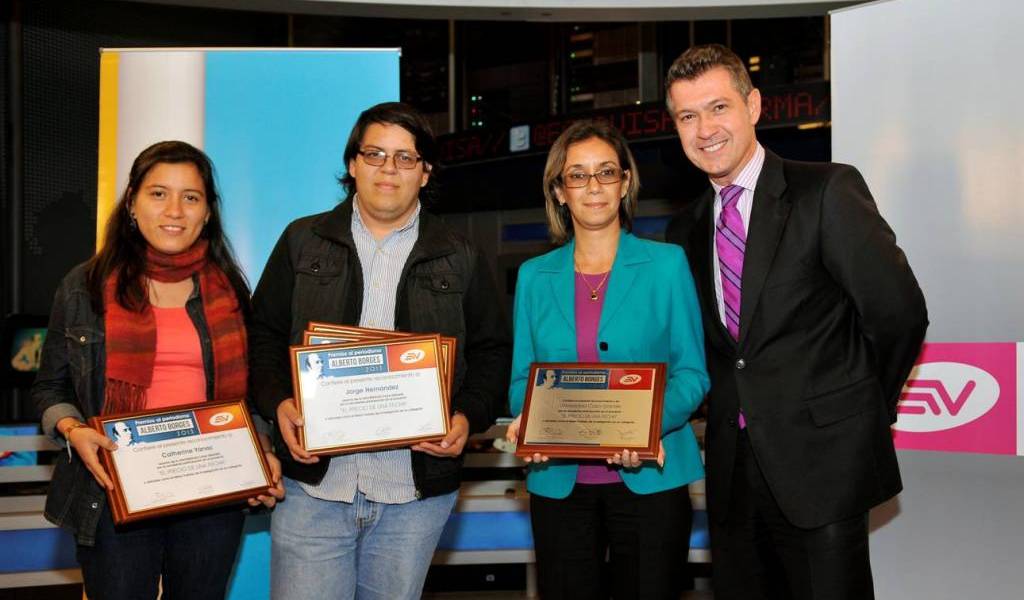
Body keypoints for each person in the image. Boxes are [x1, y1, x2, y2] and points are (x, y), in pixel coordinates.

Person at [663, 44, 928, 600]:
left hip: (824, 466)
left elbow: (898, 313)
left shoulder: (826, 190)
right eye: (687, 116)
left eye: (718, 108)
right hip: (734, 478)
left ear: (754, 106)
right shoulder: (684, 231)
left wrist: (855, 411)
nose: (704, 129)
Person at [249, 101, 512, 600]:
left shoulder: (461, 254)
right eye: (374, 154)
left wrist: (466, 416)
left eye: (404, 158)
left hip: (413, 494)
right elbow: (261, 335)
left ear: (425, 172)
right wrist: (277, 403)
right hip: (314, 488)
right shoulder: (301, 241)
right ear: (352, 165)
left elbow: (492, 351)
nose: (388, 169)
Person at [32, 140, 284, 600]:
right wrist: (73, 430)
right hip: (113, 488)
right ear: (131, 202)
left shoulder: (229, 291)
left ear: (208, 212)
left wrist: (260, 448)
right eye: (158, 193)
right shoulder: (83, 287)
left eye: (191, 197)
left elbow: (247, 399)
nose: (175, 210)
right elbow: (50, 387)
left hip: (211, 489)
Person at [506, 120, 709, 600]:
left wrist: (644, 427)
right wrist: (529, 423)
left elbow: (693, 374)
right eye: (577, 175)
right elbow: (521, 378)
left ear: (625, 183)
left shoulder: (667, 265)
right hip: (559, 486)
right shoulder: (534, 277)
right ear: (559, 191)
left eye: (605, 172)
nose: (592, 186)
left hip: (652, 482)